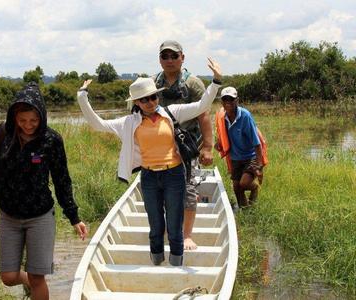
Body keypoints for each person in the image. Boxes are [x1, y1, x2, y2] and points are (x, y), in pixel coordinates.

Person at [77, 58, 222, 266]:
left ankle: (176, 264)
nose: (151, 102)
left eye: (153, 97)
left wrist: (216, 81)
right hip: (149, 177)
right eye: (144, 100)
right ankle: (156, 263)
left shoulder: (171, 113)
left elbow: (202, 105)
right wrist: (82, 97)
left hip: (174, 175)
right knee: (155, 226)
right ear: (136, 102)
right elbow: (97, 124)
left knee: (174, 225)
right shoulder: (129, 122)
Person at [0, 82, 87, 300]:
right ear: (14, 116)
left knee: (38, 277)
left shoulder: (51, 140)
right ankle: (31, 282)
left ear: (42, 117)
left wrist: (74, 216)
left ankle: (36, 282)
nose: (28, 125)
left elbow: (62, 180)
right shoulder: (3, 135)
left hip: (40, 217)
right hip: (9, 216)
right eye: (22, 120)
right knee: (8, 277)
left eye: (34, 120)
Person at [153, 40, 213, 250]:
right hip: (160, 149)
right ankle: (169, 229)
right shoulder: (153, 83)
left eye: (174, 56)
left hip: (187, 147)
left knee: (188, 191)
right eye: (165, 56)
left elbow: (204, 116)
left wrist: (207, 147)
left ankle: (186, 235)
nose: (169, 60)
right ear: (160, 59)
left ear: (182, 58)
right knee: (161, 191)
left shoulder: (193, 84)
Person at [214, 86, 267, 208]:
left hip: (250, 156)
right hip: (235, 157)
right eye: (225, 99)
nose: (228, 102)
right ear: (221, 102)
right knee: (236, 187)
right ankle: (245, 210)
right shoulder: (222, 117)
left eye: (231, 99)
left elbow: (257, 142)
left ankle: (255, 188)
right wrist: (219, 144)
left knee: (244, 183)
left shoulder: (245, 116)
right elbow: (222, 136)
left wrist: (259, 166)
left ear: (237, 100)